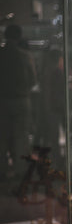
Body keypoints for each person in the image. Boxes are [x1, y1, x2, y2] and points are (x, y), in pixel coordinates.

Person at [0, 24, 36, 180]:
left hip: (2, 100)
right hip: (21, 100)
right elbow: (33, 80)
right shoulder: (24, 55)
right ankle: (20, 171)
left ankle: (3, 170)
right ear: (19, 36)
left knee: (2, 137)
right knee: (20, 137)